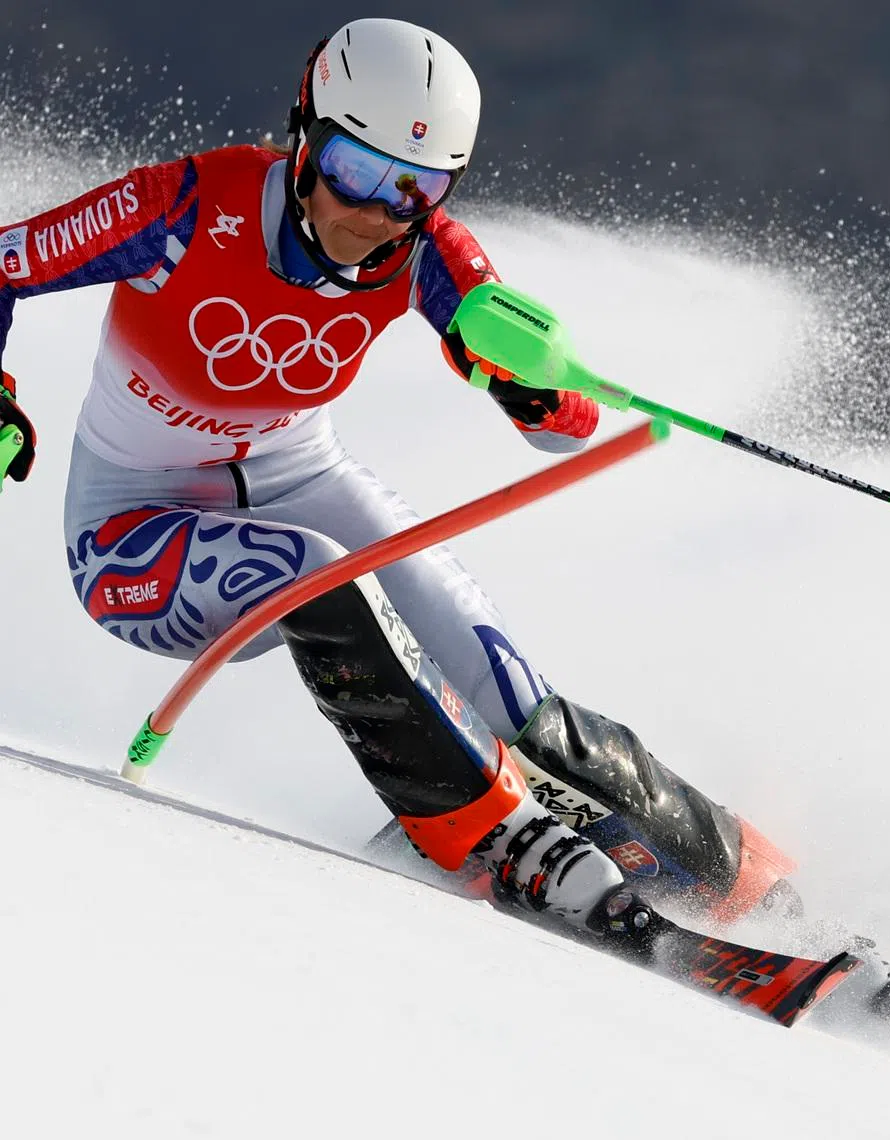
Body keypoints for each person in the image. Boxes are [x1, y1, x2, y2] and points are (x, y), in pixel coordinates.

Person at [0, 18, 796, 946]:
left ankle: (741, 874)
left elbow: (566, 430)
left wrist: (539, 385)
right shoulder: (189, 205)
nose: (372, 213)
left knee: (518, 708)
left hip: (302, 476)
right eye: (354, 169)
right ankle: (486, 832)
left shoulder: (428, 254)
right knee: (318, 569)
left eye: (414, 188)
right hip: (132, 536)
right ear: (304, 130)